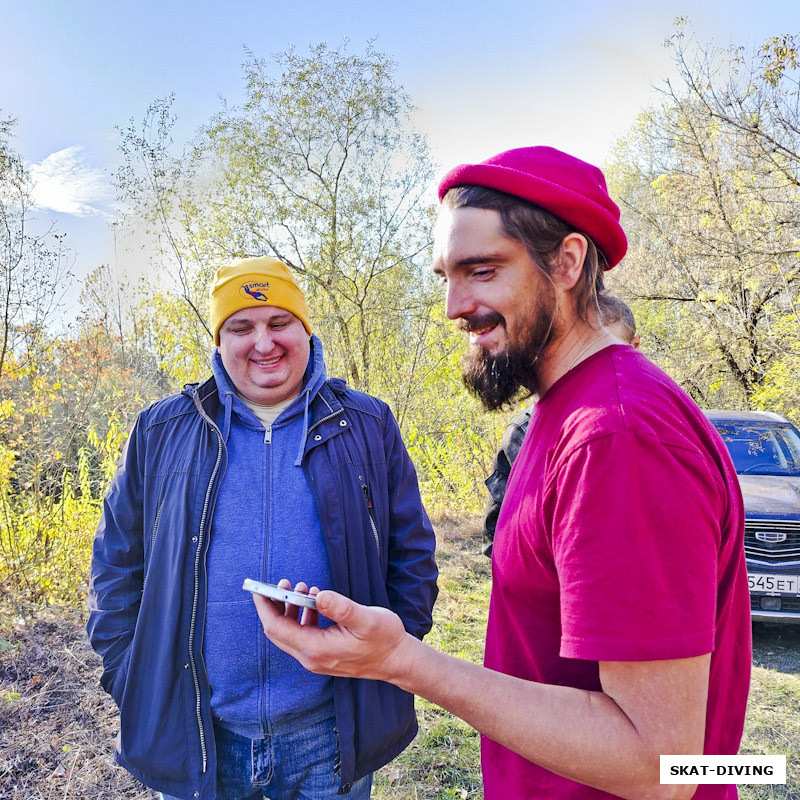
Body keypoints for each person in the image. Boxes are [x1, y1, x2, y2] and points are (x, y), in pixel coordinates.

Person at [253, 148, 752, 800]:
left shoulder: (616, 436)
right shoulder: (566, 408)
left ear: (567, 263)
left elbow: (659, 764)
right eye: (446, 276)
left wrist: (405, 662)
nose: (456, 305)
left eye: (481, 270)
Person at [86, 256, 439, 800]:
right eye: (241, 327)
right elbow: (116, 563)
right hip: (199, 731)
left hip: (330, 730)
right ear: (220, 339)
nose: (263, 343)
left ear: (305, 328)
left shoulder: (368, 424)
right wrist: (129, 675)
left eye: (279, 323)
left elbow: (410, 554)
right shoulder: (162, 430)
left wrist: (389, 658)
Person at [481, 296, 640, 556]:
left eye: (610, 352)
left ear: (634, 348)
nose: (596, 368)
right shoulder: (526, 430)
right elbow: (498, 526)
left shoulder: (649, 423)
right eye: (586, 354)